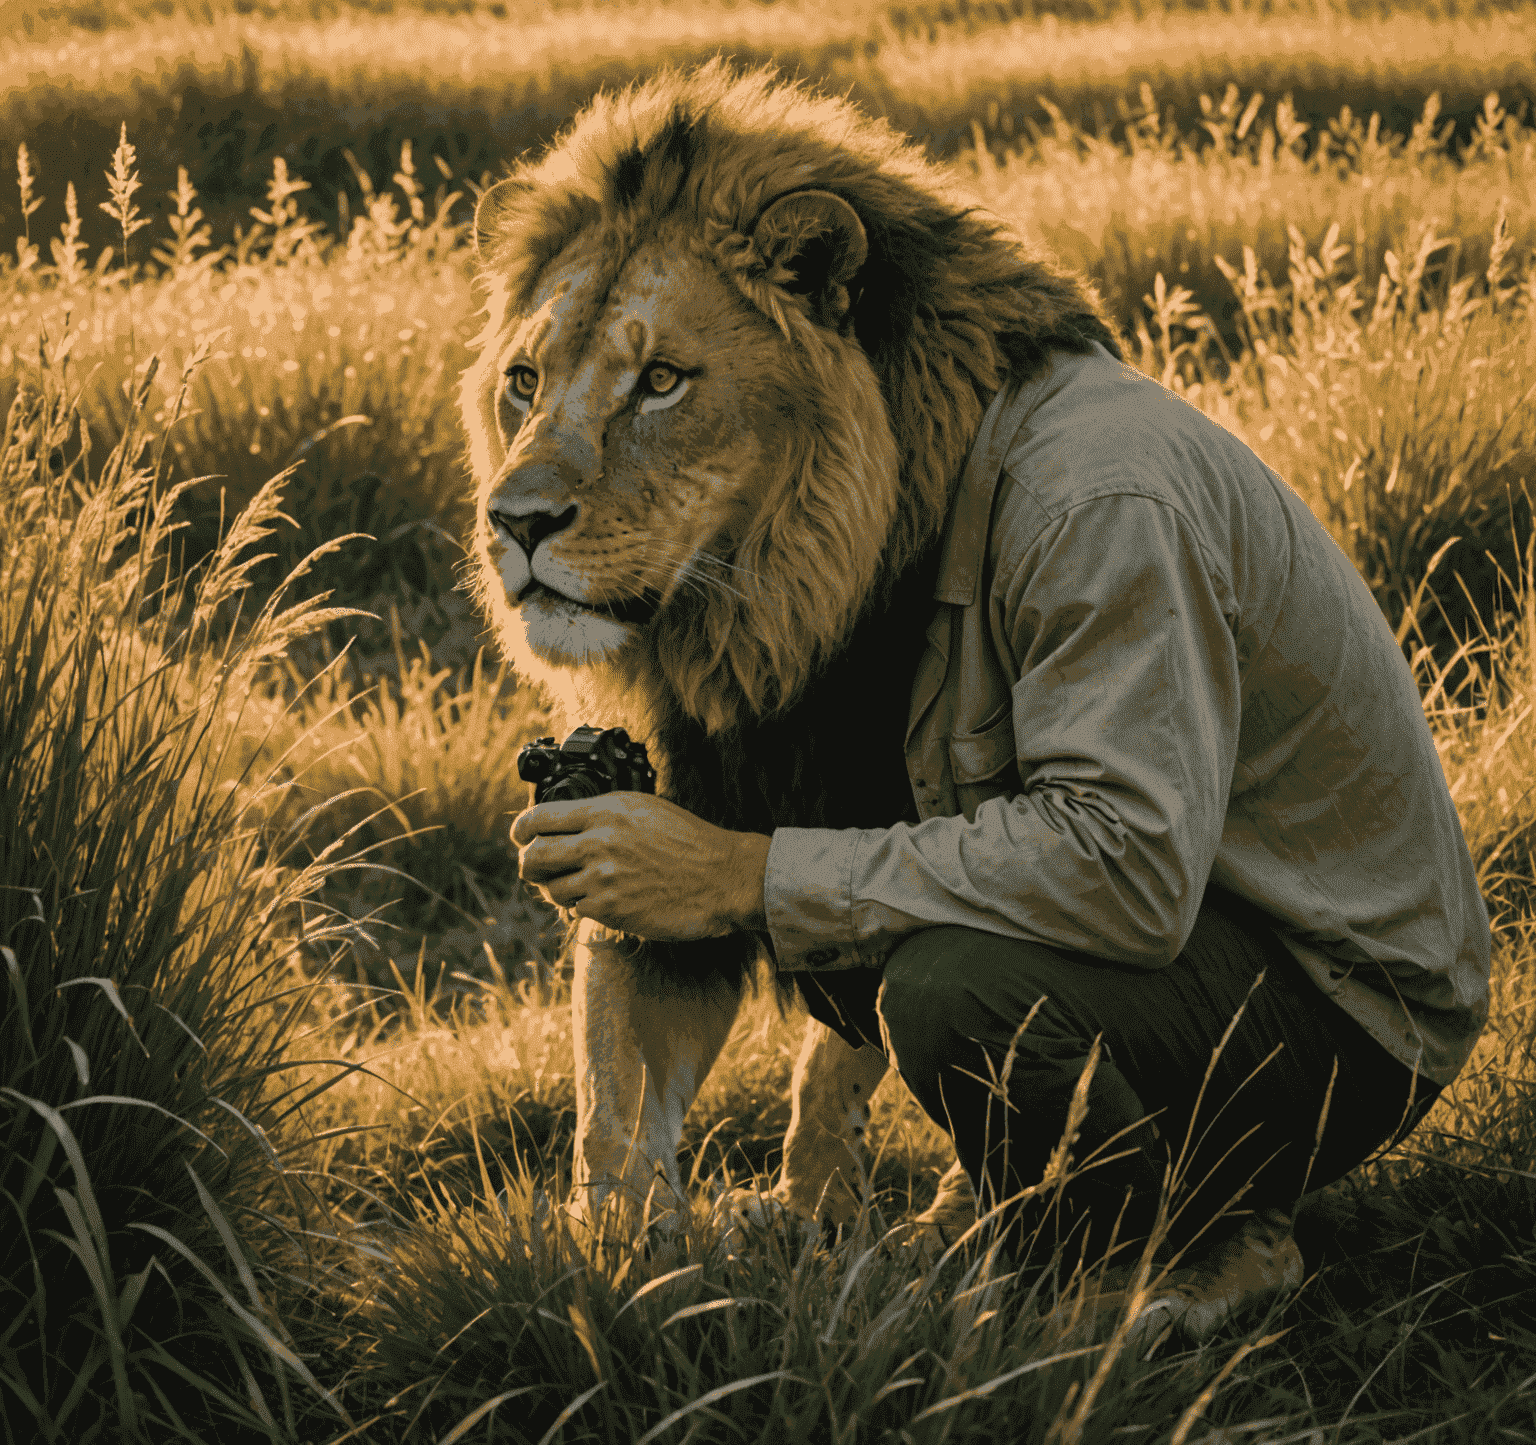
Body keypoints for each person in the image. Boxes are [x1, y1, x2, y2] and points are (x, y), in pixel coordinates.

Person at [513, 343, 1491, 1285]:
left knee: (955, 988)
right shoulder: (876, 518)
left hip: (1343, 1007)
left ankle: (1182, 1248)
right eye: (524, 383)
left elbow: (1124, 871)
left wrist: (737, 875)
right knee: (873, 892)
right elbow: (888, 830)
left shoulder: (1092, 500)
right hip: (1186, 946)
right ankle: (1015, 1212)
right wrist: (628, 1198)